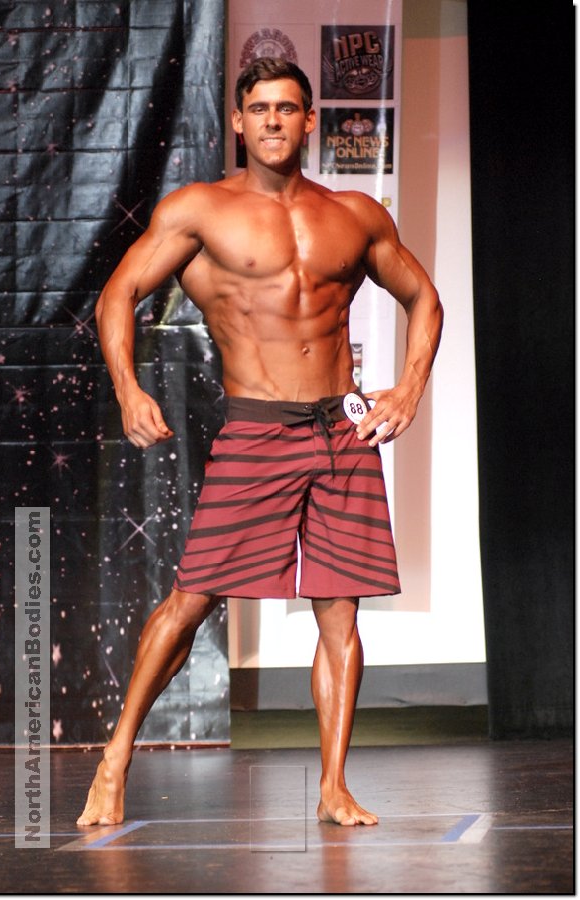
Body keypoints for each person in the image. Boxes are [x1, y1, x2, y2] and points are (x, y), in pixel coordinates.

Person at [77, 57, 443, 829]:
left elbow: (422, 297)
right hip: (257, 429)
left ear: (309, 120)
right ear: (239, 122)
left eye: (287, 107)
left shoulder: (354, 213)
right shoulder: (199, 210)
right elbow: (118, 294)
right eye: (260, 108)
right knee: (192, 599)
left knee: (339, 615)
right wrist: (128, 389)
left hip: (342, 430)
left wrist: (408, 388)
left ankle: (333, 786)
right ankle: (114, 759)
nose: (273, 119)